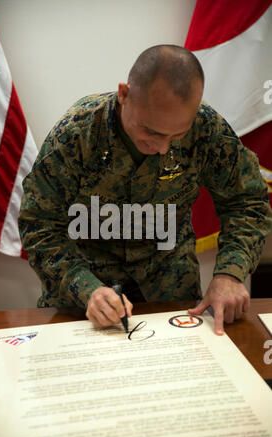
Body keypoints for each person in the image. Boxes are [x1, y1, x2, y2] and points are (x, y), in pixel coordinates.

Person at [18, 44, 272, 335]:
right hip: (83, 301)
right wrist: (85, 288)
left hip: (171, 295)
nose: (163, 147)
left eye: (177, 134)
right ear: (124, 95)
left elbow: (247, 202)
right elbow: (39, 225)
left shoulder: (206, 128)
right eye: (151, 131)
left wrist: (230, 272)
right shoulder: (77, 133)